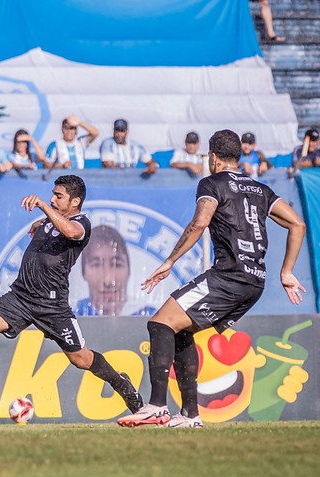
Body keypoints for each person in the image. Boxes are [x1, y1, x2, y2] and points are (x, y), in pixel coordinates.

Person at [117, 129, 306, 429]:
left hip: (229, 277)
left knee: (159, 323)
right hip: (254, 282)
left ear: (213, 157)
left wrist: (169, 261)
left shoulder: (212, 183)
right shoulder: (260, 189)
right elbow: (297, 223)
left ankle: (155, 406)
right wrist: (286, 272)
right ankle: (190, 415)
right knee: (181, 331)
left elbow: (199, 222)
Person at [0, 176, 143, 416]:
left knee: (81, 359)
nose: (52, 199)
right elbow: (47, 226)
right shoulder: (49, 220)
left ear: (75, 201)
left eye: (58, 196)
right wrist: (40, 222)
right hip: (21, 297)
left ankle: (121, 383)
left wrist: (44, 209)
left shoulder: (82, 223)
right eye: (52, 195)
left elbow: (71, 231)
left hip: (51, 305)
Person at [75, 225, 156, 317]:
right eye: (96, 265)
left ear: (128, 270)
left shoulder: (152, 318)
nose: (108, 280)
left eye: (117, 264)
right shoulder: (71, 316)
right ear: (83, 272)